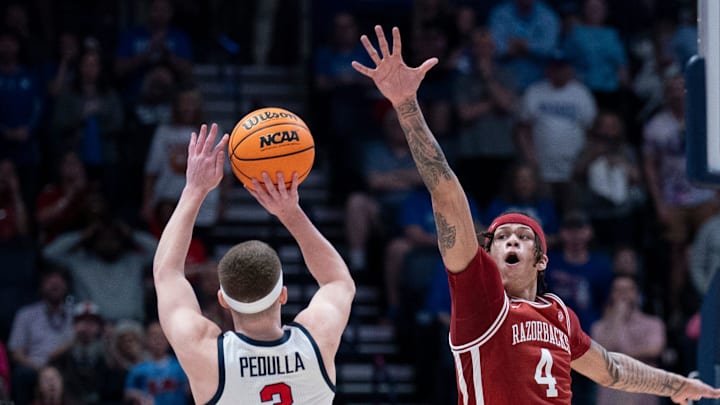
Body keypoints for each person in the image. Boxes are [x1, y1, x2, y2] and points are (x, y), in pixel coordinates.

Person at [351, 24, 720, 404]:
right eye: (500, 237)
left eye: (522, 236)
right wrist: (406, 105)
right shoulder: (479, 296)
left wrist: (675, 386)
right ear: (489, 256)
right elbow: (445, 192)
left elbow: (612, 369)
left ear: (541, 260)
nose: (510, 239)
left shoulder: (559, 314)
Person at [152, 123, 355, 403]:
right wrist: (290, 212)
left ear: (223, 299)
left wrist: (194, 190)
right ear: (283, 295)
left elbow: (167, 274)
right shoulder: (316, 341)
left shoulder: (207, 354)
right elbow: (338, 280)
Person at [591, 275, 667, 405]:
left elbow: (655, 349)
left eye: (628, 290)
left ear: (636, 293)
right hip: (610, 397)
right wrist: (618, 318)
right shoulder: (599, 327)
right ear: (612, 295)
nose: (623, 294)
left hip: (643, 395)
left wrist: (617, 355)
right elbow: (599, 353)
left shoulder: (653, 323)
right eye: (618, 290)